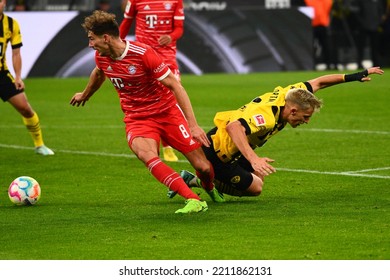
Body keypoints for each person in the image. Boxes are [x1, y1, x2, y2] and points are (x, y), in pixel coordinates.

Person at [70, 10, 224, 214]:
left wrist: (193, 125)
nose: (90, 44)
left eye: (92, 39)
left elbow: (175, 86)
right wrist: (85, 94)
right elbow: (99, 73)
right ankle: (193, 199)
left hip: (167, 112)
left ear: (106, 38)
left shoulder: (143, 54)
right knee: (147, 155)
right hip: (137, 118)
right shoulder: (102, 57)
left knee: (203, 168)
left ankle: (208, 187)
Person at [168, 67, 384, 199]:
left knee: (260, 173)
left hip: (234, 148)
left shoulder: (293, 94)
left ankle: (198, 179)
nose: (306, 122)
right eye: (305, 117)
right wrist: (253, 159)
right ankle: (199, 179)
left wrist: (357, 75)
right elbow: (234, 126)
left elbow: (319, 82)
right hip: (216, 152)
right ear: (292, 110)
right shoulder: (267, 117)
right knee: (256, 187)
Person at [119, 0, 185, 162]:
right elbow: (126, 23)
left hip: (167, 56)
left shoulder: (175, 1)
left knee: (173, 97)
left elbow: (179, 29)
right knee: (149, 99)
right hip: (143, 56)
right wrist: (116, 43)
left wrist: (170, 36)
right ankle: (163, 146)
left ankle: (181, 142)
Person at [0, 0, 54, 155]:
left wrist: (17, 77)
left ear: (4, 2)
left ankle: (39, 145)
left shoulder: (11, 24)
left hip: (2, 74)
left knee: (25, 108)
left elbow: (16, 53)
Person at [305, 0, 334, 70]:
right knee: (324, 45)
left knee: (325, 46)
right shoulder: (328, 1)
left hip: (318, 25)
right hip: (317, 25)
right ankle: (327, 64)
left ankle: (327, 64)